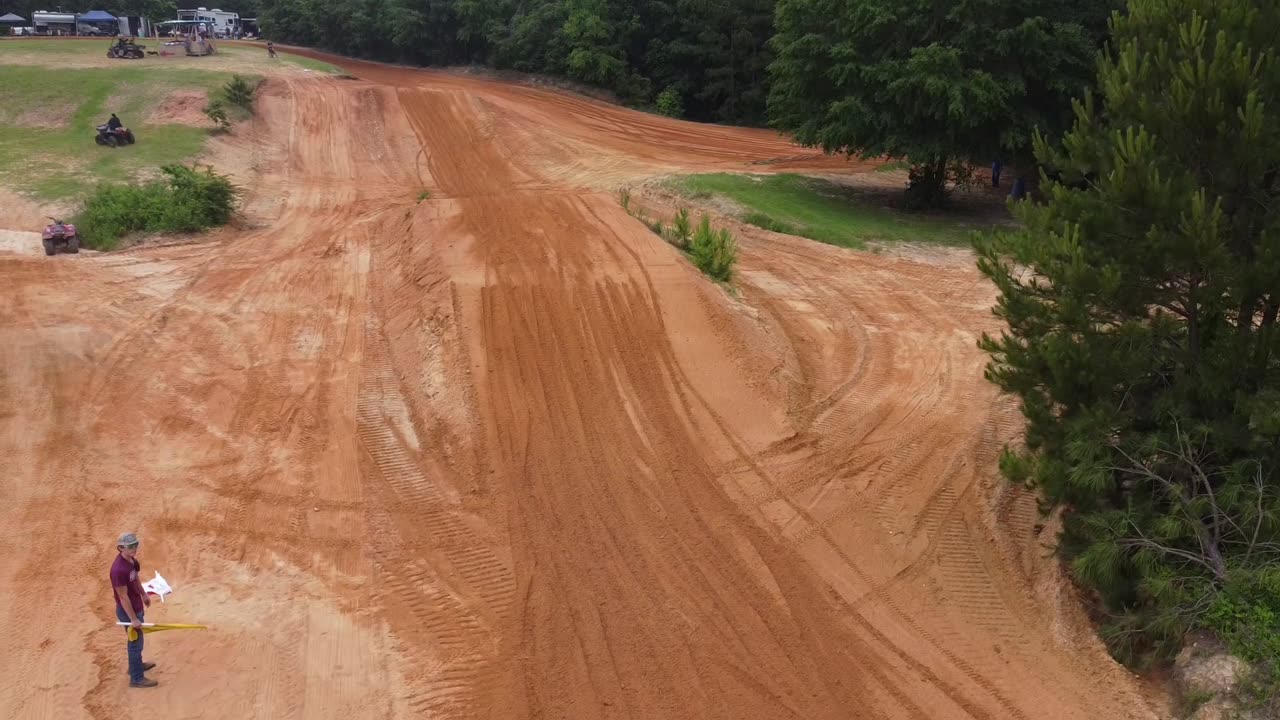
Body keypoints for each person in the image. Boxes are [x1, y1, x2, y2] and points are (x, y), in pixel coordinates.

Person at [110, 532, 157, 688]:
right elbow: (123, 597)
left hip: (136, 606)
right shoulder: (118, 570)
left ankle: (136, 665)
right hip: (128, 611)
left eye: (136, 545)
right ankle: (136, 678)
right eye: (130, 546)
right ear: (121, 547)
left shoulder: (131, 561)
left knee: (137, 641)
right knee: (135, 643)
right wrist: (133, 619)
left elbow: (135, 578)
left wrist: (143, 594)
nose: (134, 548)